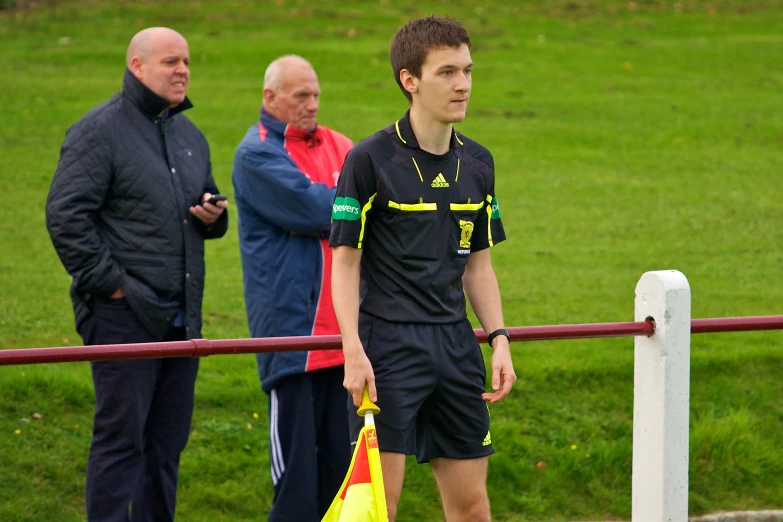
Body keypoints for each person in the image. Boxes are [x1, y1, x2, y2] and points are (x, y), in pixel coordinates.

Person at [330, 16, 517, 522]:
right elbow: (343, 265)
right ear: (409, 80)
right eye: (448, 72)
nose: (463, 85)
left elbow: (479, 268)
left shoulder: (479, 163)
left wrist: (498, 337)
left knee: (473, 508)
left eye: (468, 70)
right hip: (387, 348)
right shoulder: (368, 160)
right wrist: (353, 349)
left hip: (456, 347)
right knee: (377, 509)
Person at [45, 27, 228, 522]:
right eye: (170, 61)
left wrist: (214, 214)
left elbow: (206, 198)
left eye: (187, 61)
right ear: (137, 67)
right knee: (121, 442)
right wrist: (114, 286)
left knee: (165, 448)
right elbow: (65, 216)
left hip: (181, 319)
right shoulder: (98, 131)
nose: (183, 70)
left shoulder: (190, 135)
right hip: (120, 314)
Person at [231, 55, 353, 521]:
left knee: (343, 486)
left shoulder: (341, 144)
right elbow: (312, 208)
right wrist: (345, 201)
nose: (311, 104)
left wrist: (343, 202)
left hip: (345, 340)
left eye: (316, 94)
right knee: (297, 486)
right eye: (301, 95)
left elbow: (378, 199)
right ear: (271, 98)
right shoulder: (258, 153)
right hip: (293, 338)